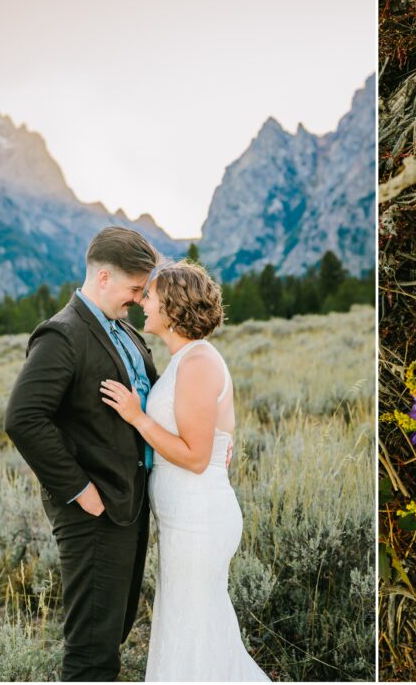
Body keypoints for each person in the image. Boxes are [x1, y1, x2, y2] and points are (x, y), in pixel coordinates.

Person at [100, 259, 269, 682]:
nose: (143, 302)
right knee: (186, 631)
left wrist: (137, 418)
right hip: (184, 523)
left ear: (173, 308)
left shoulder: (197, 363)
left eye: (151, 296)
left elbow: (195, 456)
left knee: (197, 635)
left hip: (199, 523)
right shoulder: (185, 361)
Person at [4, 226, 159, 681]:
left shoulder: (125, 332)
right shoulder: (62, 334)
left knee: (113, 628)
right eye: (134, 288)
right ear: (105, 277)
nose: (137, 298)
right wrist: (81, 491)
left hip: (129, 503)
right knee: (91, 649)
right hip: (94, 512)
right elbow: (24, 418)